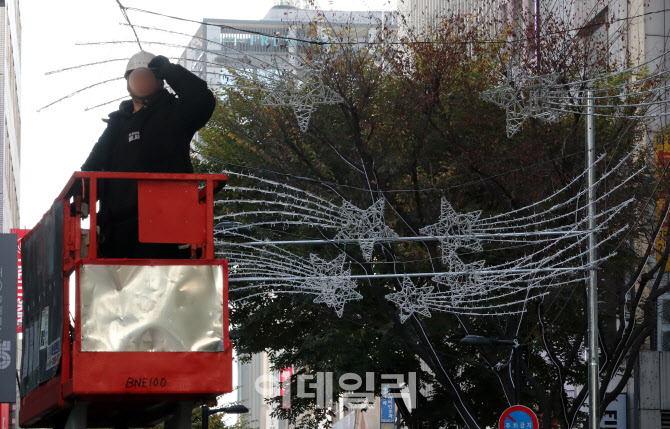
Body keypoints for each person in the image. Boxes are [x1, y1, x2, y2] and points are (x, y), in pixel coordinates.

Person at [81, 50, 216, 258]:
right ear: (128, 82)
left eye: (147, 74)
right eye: (136, 75)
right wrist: (81, 199)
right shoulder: (118, 124)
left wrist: (171, 72)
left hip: (167, 225)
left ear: (159, 80)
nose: (141, 80)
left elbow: (202, 101)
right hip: (117, 231)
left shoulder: (175, 114)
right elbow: (91, 168)